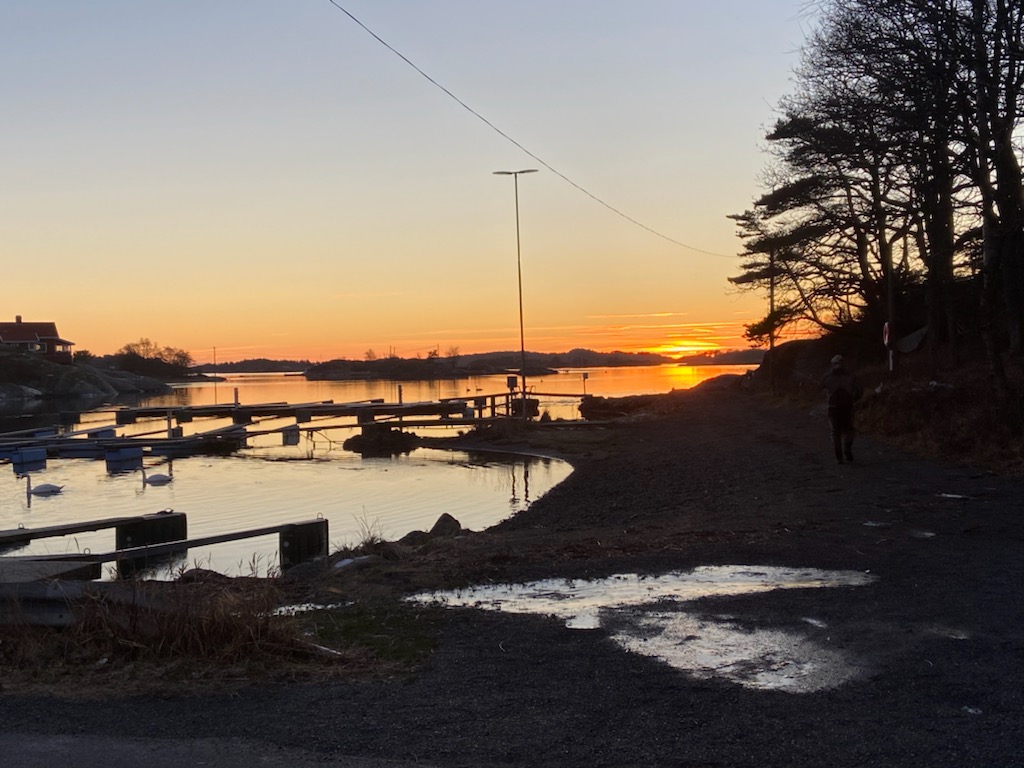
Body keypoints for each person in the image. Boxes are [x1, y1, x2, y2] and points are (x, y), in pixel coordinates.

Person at [820, 354, 861, 464]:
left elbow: (819, 387)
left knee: (835, 433)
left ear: (832, 364)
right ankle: (847, 448)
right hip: (848, 407)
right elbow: (859, 391)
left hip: (833, 408)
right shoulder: (851, 376)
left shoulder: (827, 377)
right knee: (849, 430)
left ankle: (839, 458)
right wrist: (853, 399)